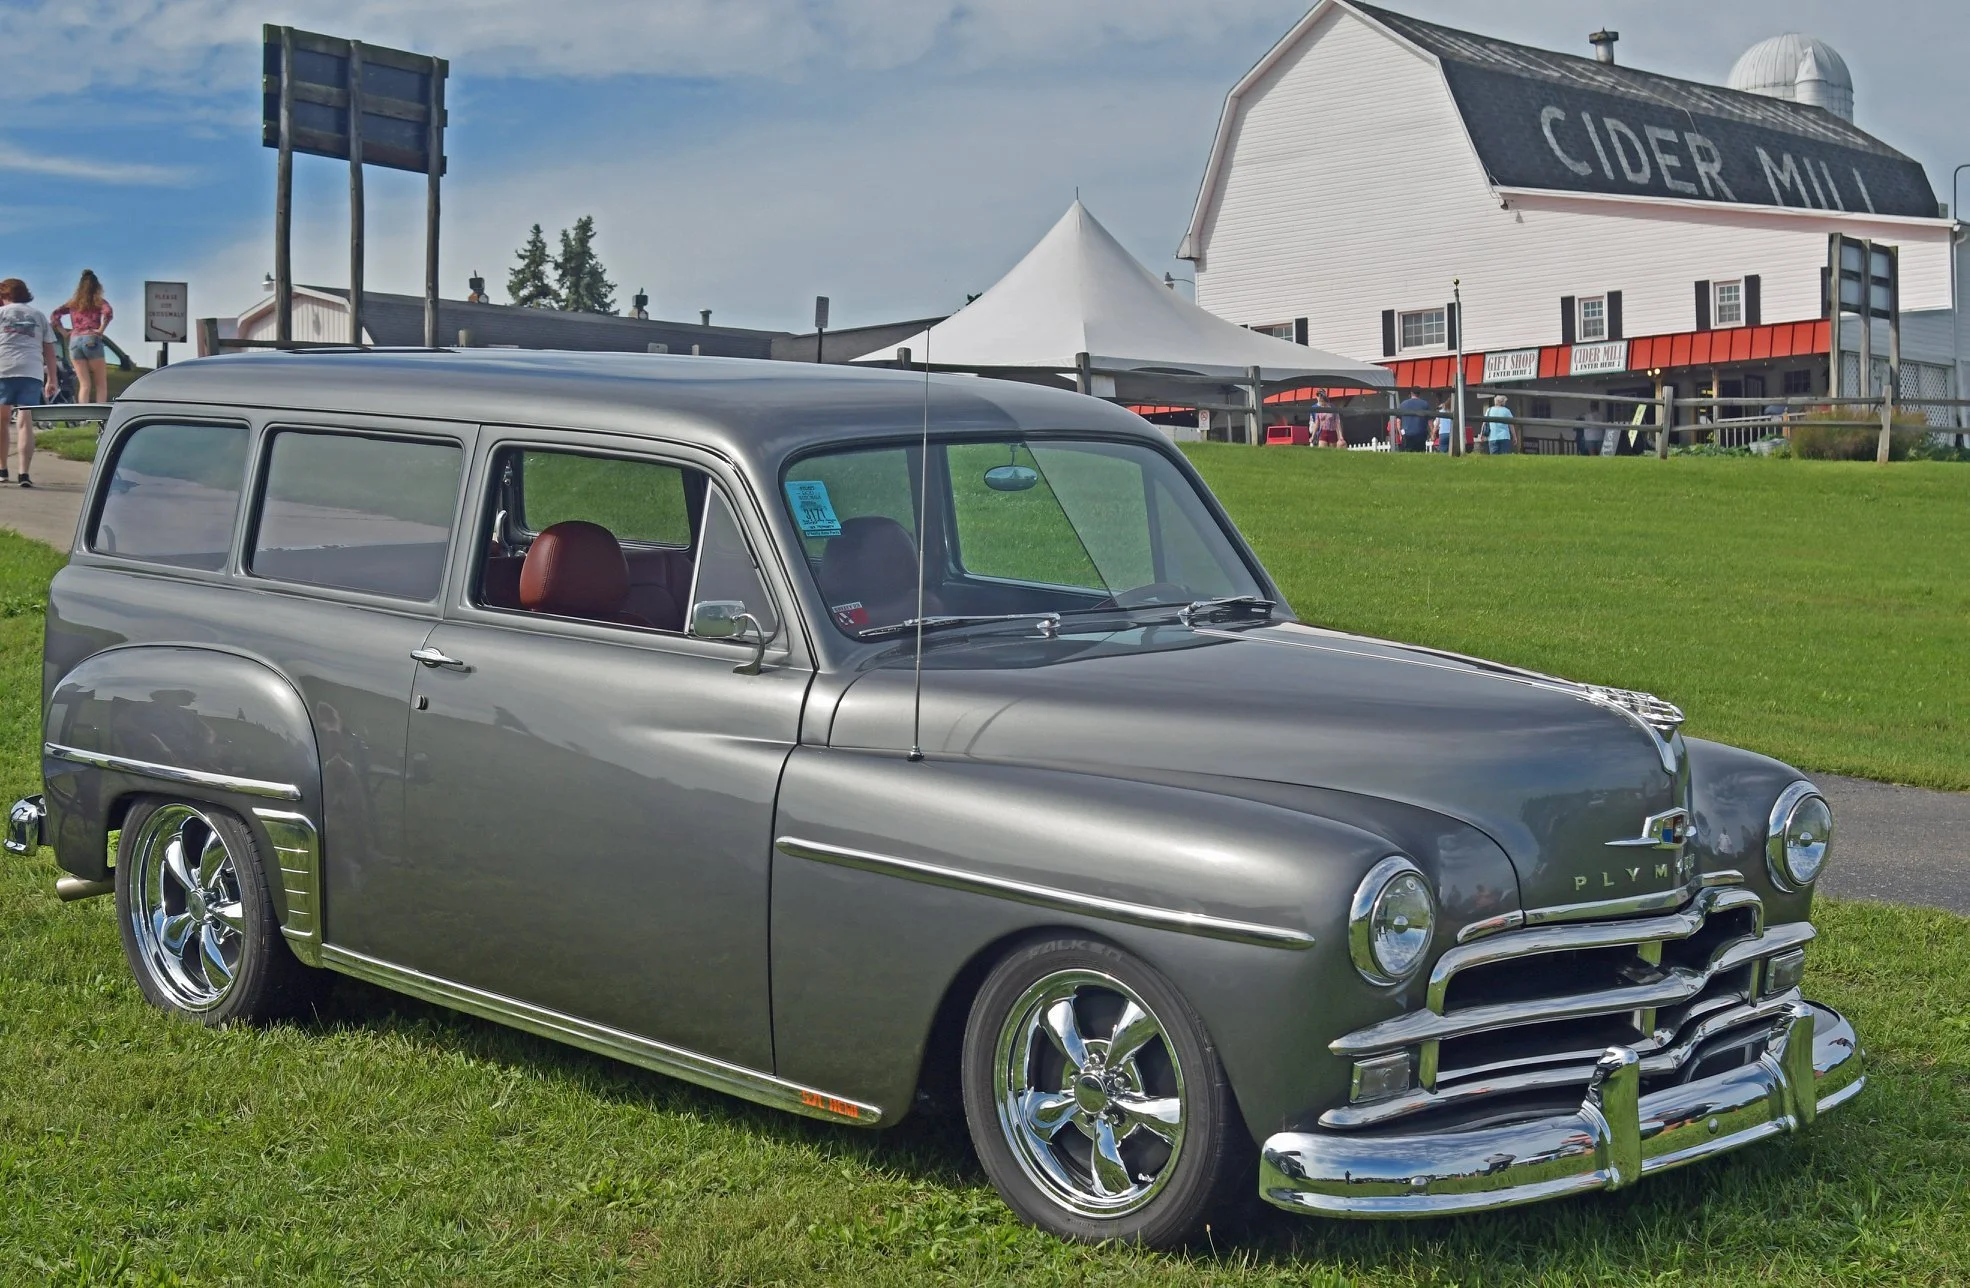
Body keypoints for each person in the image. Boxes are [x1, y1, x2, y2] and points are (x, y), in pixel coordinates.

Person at [0, 278, 58, 488]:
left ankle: (2, 469)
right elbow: (49, 351)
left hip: (3, 369)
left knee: (2, 421)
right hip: (31, 371)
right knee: (25, 422)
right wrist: (52, 378)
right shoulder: (38, 315)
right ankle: (24, 473)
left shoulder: (1, 313)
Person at [51, 269, 113, 405]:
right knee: (101, 383)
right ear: (97, 286)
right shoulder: (99, 301)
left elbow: (55, 314)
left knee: (84, 384)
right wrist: (101, 330)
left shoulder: (73, 303)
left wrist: (63, 332)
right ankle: (99, 416)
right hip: (91, 337)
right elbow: (108, 313)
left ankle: (83, 417)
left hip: (74, 340)